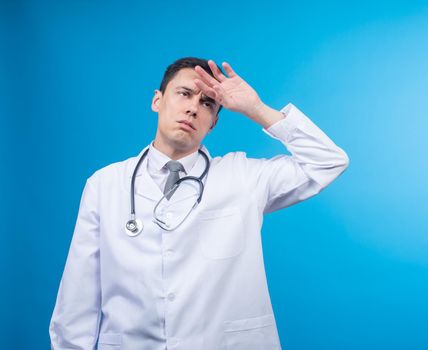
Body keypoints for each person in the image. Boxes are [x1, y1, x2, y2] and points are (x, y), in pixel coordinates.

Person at [49, 57, 349, 350]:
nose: (193, 108)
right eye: (184, 94)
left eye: (207, 103)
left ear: (214, 122)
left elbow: (328, 162)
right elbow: (79, 294)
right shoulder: (105, 184)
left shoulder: (244, 176)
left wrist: (256, 109)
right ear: (157, 100)